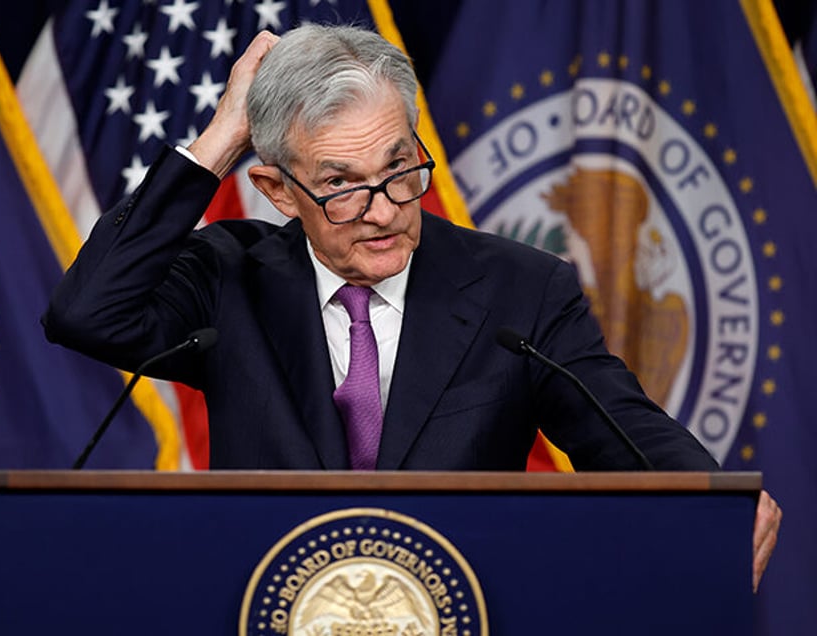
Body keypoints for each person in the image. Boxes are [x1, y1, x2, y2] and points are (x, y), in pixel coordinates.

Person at [42, 24, 779, 590]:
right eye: (341, 185)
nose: (384, 209)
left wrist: (717, 502)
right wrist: (221, 136)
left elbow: (628, 439)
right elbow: (88, 312)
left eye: (400, 169)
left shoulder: (519, 289)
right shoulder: (227, 277)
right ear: (277, 191)